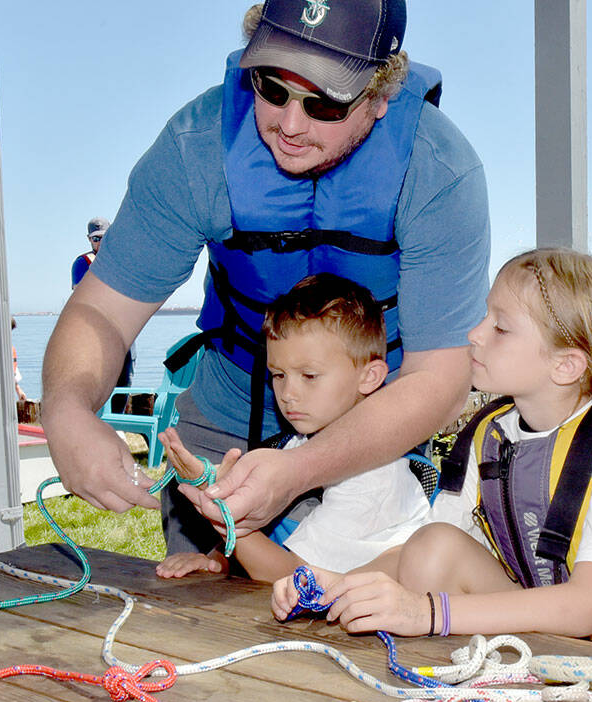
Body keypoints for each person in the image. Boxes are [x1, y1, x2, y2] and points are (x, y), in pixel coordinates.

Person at [41, 0, 488, 563]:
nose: (290, 125)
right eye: (271, 88)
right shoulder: (194, 150)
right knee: (199, 615)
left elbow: (441, 377)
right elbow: (101, 313)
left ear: (379, 98)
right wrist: (66, 409)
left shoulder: (439, 171)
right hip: (225, 418)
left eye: (325, 103)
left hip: (374, 435)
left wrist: (300, 467)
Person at [272, 248, 592, 648]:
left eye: (500, 327)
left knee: (431, 575)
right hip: (536, 625)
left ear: (565, 364)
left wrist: (427, 614)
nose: (474, 334)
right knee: (434, 542)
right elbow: (420, 551)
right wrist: (338, 584)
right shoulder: (491, 432)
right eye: (484, 317)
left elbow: (587, 608)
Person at [155, 274, 429, 582]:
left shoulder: (375, 477)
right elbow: (272, 526)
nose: (288, 394)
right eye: (279, 375)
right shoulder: (301, 442)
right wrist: (216, 558)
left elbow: (292, 578)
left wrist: (219, 508)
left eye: (309, 376)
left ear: (369, 376)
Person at [72, 217, 134, 410]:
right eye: (95, 238)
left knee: (124, 381)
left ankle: (117, 426)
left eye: (103, 237)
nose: (99, 242)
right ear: (89, 239)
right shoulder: (83, 263)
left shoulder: (123, 260)